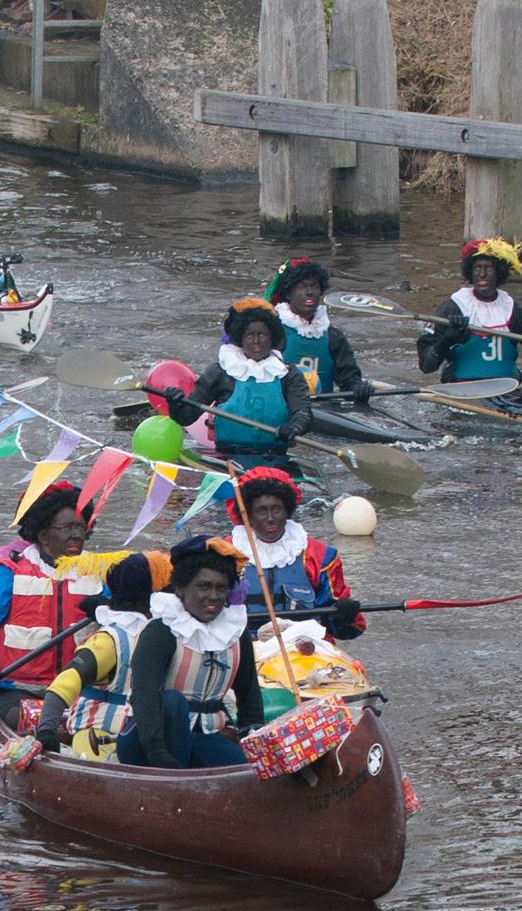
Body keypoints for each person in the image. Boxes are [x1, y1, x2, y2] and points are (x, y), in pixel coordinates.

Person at [0, 483, 101, 720]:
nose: (77, 535)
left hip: (82, 692)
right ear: (43, 535)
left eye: (81, 526)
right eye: (67, 527)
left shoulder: (103, 576)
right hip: (19, 691)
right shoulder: (8, 577)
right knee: (25, 720)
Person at [120, 535, 267, 770]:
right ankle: (173, 777)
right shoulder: (161, 632)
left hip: (203, 736)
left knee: (252, 771)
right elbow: (144, 694)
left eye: (221, 588)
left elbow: (249, 697)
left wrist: (255, 743)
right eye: (203, 586)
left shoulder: (236, 634)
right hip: (148, 739)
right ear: (181, 588)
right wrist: (157, 753)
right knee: (172, 702)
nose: (213, 596)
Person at [33, 549, 172, 761]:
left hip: (146, 735)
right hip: (98, 734)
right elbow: (64, 684)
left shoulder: (170, 635)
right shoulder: (109, 642)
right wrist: (46, 732)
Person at [159, 299, 312, 474]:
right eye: (249, 336)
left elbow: (303, 413)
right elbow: (186, 417)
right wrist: (175, 404)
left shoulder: (289, 375)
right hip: (227, 458)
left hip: (276, 457)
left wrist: (294, 427)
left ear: (272, 337)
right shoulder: (220, 373)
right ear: (240, 339)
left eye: (262, 335)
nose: (256, 341)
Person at [225, 467, 362, 639]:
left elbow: (349, 630)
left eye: (276, 509)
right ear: (248, 515)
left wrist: (344, 615)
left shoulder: (319, 556)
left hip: (305, 645)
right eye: (261, 511)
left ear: (287, 510)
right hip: (244, 645)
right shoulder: (224, 555)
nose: (270, 518)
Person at [418, 238, 522, 385]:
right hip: (461, 387)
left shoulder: (511, 309)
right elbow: (426, 365)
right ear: (470, 272)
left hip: (507, 388)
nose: (482, 274)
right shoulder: (453, 307)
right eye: (477, 268)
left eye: (489, 268)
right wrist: (447, 340)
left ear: (499, 272)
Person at [261, 258, 371, 402]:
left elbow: (348, 378)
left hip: (323, 409)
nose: (309, 292)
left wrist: (357, 387)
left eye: (314, 286)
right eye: (302, 287)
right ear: (288, 293)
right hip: (281, 406)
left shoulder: (333, 336)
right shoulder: (272, 332)